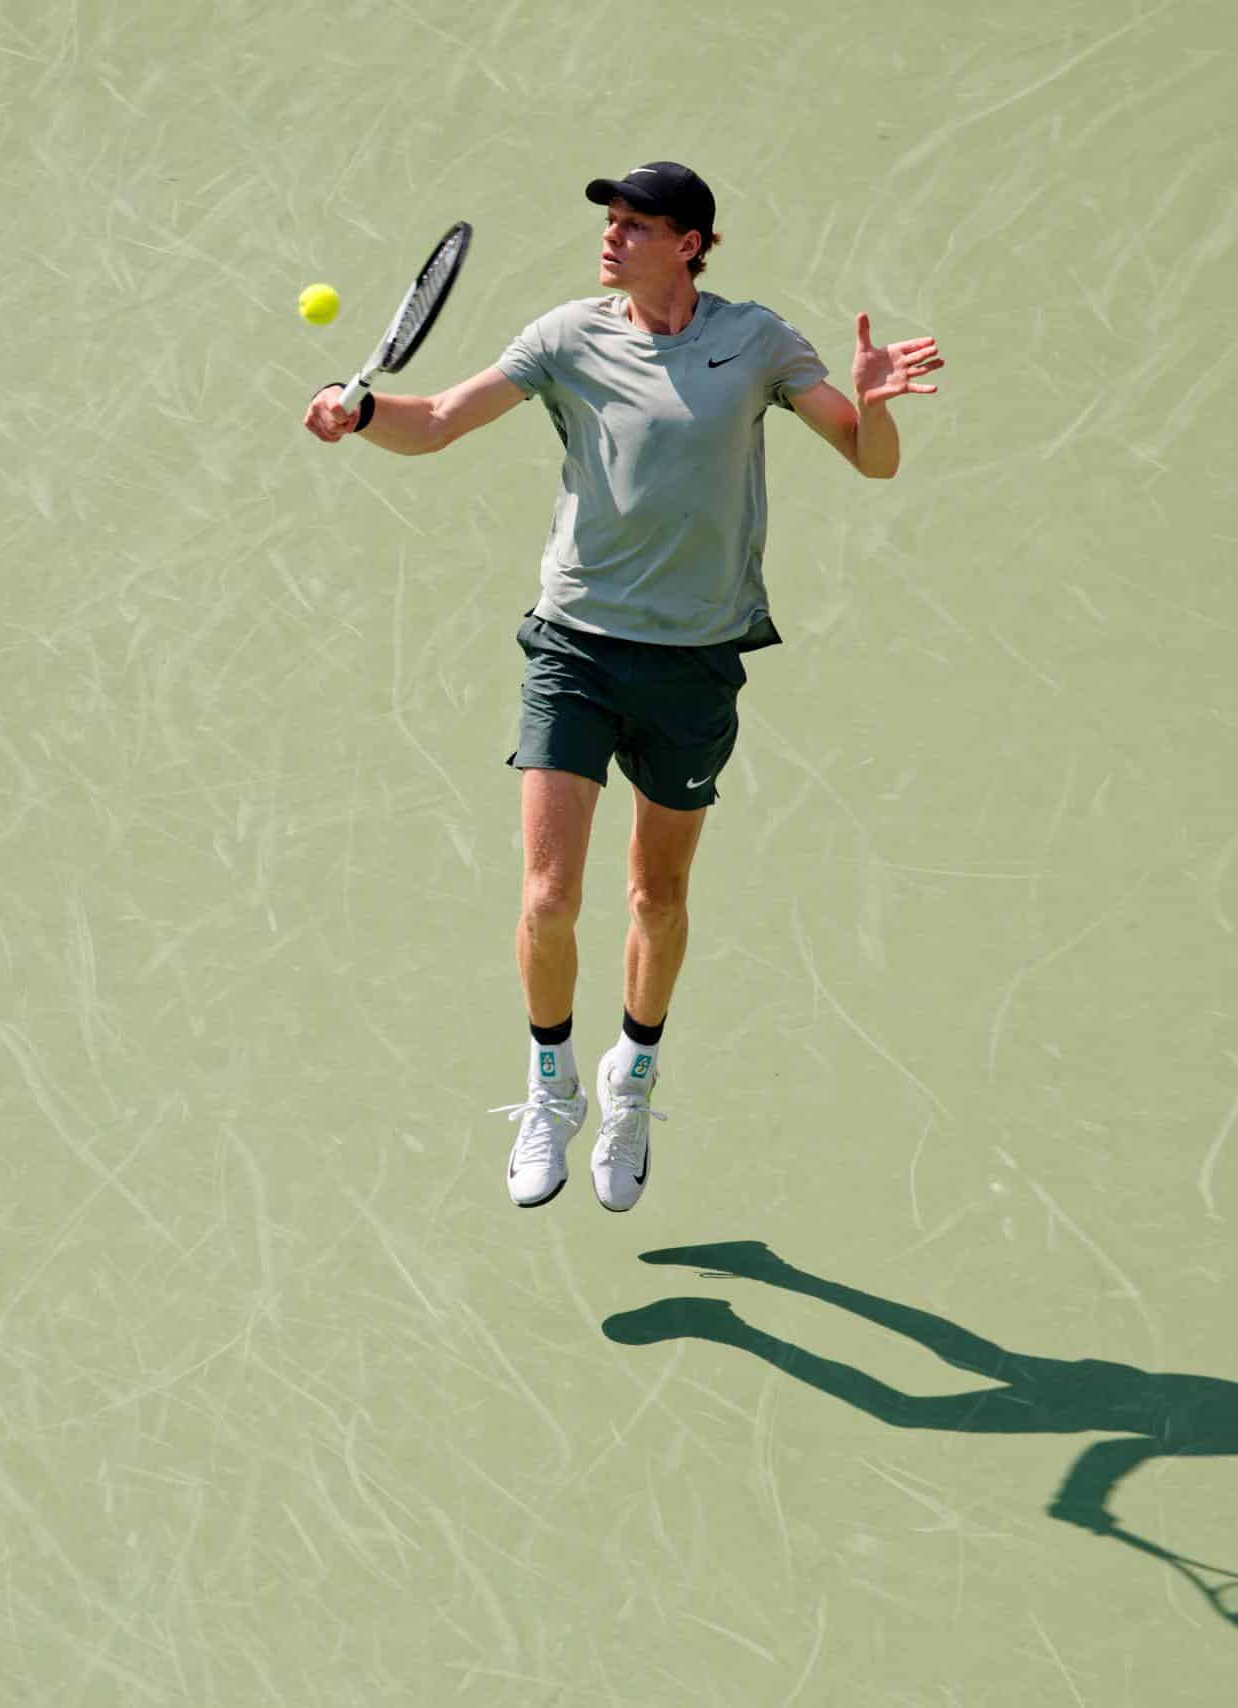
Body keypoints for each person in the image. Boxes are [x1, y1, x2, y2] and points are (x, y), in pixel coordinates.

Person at [301, 162, 943, 1212]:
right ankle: (551, 1083)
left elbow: (870, 461)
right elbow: (440, 420)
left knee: (659, 895)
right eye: (611, 220)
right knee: (550, 896)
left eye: (638, 224)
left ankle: (630, 1077)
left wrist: (873, 407)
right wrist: (359, 409)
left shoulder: (759, 344)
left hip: (694, 657)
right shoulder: (567, 337)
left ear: (692, 243)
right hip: (576, 648)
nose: (613, 237)